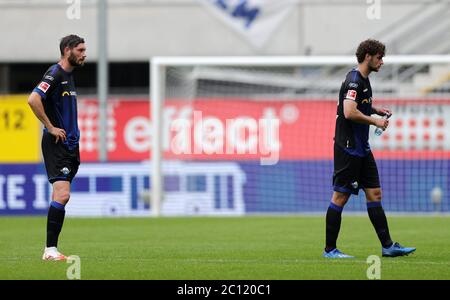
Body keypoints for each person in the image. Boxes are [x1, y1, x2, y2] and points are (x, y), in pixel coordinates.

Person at [323, 39, 416, 258]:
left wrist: (374, 109)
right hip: (348, 148)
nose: (382, 62)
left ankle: (388, 246)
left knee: (374, 193)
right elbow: (348, 111)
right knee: (340, 197)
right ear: (368, 57)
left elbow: (358, 106)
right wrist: (375, 122)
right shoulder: (354, 81)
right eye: (379, 57)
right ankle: (330, 249)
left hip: (362, 149)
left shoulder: (364, 80)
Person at [28, 35, 86, 261]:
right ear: (67, 50)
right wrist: (50, 127)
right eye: (80, 50)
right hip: (57, 144)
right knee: (63, 195)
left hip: (70, 144)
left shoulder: (69, 76)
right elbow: (33, 99)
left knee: (60, 196)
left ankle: (50, 249)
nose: (84, 54)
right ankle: (50, 250)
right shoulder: (55, 74)